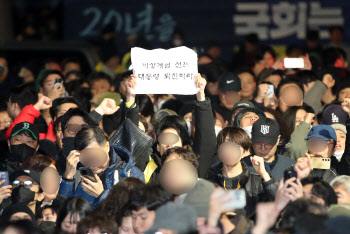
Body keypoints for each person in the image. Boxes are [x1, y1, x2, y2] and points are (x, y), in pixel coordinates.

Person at [59, 126, 144, 206]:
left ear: (107, 147)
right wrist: (68, 179)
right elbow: (62, 213)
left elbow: (133, 214)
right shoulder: (77, 172)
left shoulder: (130, 174)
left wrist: (101, 195)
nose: (92, 163)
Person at [208, 127, 279, 217]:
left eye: (236, 147)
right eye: (226, 145)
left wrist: (264, 174)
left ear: (245, 152)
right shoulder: (210, 181)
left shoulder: (256, 181)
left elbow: (279, 203)